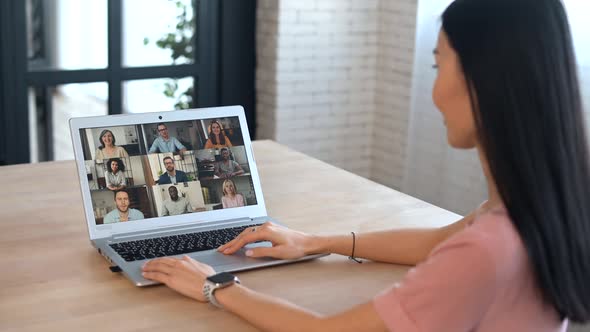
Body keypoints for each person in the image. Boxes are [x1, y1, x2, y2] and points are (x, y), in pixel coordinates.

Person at [141, 0, 590, 330]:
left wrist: (215, 285)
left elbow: (326, 331)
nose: (434, 92)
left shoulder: (486, 251)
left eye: (438, 66)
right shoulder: (536, 207)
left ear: (482, 79)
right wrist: (314, 241)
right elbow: (435, 242)